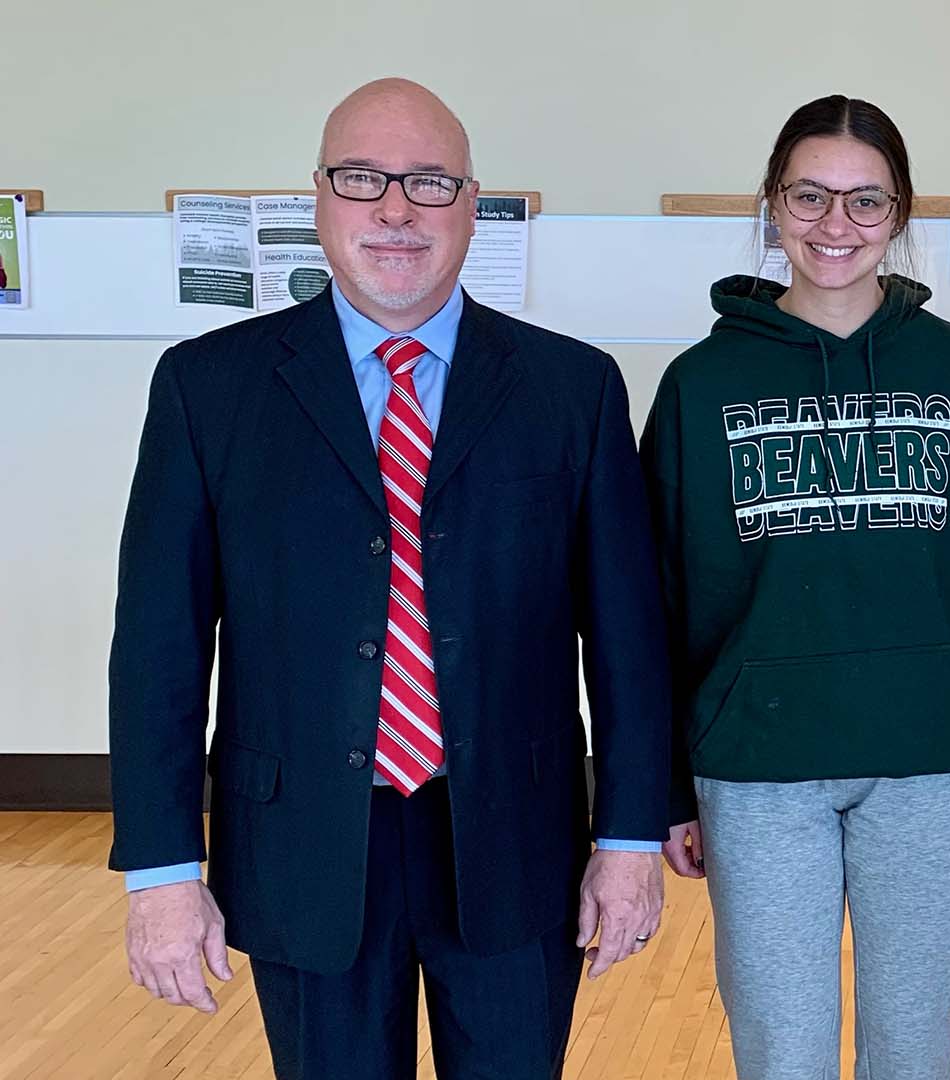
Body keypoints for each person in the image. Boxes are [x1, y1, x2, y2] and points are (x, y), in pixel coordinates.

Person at [108, 78, 674, 1079]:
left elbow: (628, 638)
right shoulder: (210, 388)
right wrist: (161, 868)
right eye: (364, 179)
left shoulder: (570, 389)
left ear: (471, 203)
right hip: (304, 851)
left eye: (430, 181)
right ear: (320, 198)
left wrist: (628, 840)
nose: (397, 209)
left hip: (515, 842)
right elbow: (159, 644)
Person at [641, 94, 950, 1080]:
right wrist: (664, 785)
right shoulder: (699, 386)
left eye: (865, 201)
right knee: (782, 1053)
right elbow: (660, 605)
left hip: (929, 757)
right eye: (810, 197)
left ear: (899, 214)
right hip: (759, 768)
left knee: (913, 1051)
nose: (835, 226)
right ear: (773, 206)